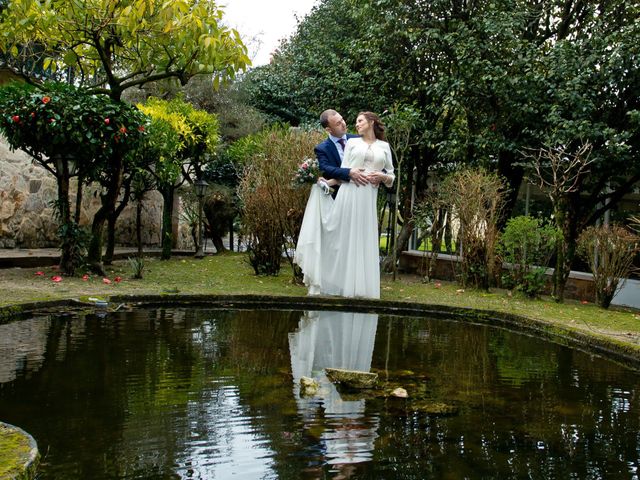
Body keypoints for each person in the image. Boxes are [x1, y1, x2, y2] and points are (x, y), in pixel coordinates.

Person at [294, 111, 394, 299]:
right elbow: (340, 168)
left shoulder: (381, 145)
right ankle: (330, 279)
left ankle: (362, 287)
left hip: (369, 196)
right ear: (328, 128)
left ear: (371, 122)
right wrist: (342, 176)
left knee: (364, 238)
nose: (346, 124)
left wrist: (383, 177)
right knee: (340, 239)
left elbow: (391, 175)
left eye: (345, 120)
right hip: (348, 194)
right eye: (338, 123)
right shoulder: (346, 145)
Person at [315, 109, 369, 192]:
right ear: (328, 130)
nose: (343, 124)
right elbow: (325, 168)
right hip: (338, 193)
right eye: (338, 124)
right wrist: (348, 172)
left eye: (342, 119)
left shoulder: (358, 139)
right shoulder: (321, 148)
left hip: (362, 189)